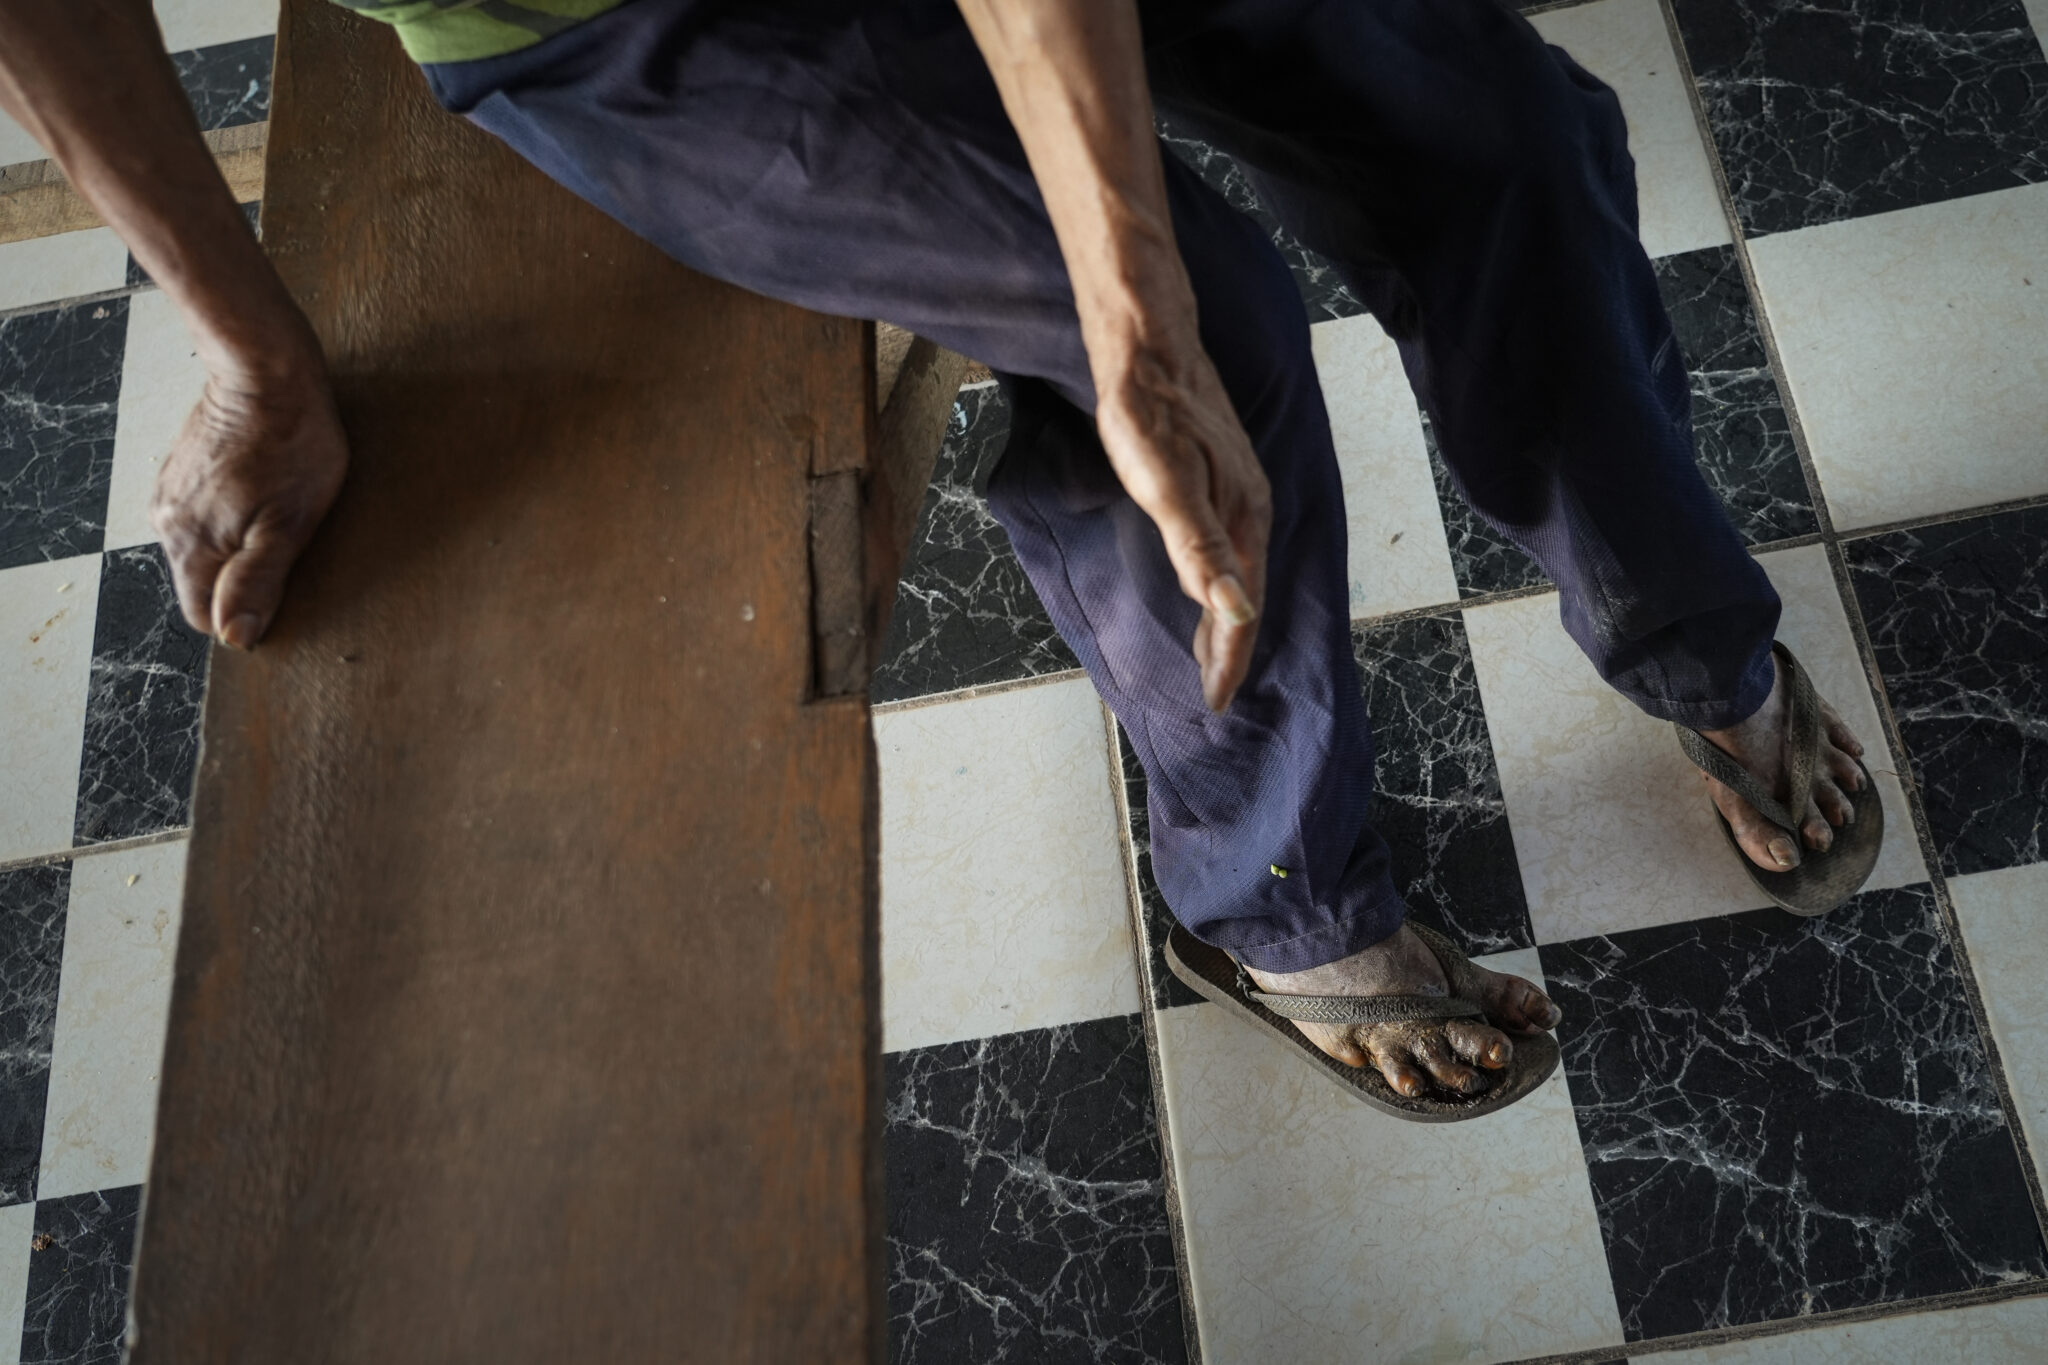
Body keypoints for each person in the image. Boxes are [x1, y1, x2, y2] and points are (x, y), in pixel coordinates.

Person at [0, 0, 1877, 1117]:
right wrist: (255, 351)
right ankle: (1274, 884)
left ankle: (1689, 627)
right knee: (1202, 318)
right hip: (620, 23)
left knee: (1491, 116)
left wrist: (1129, 284)